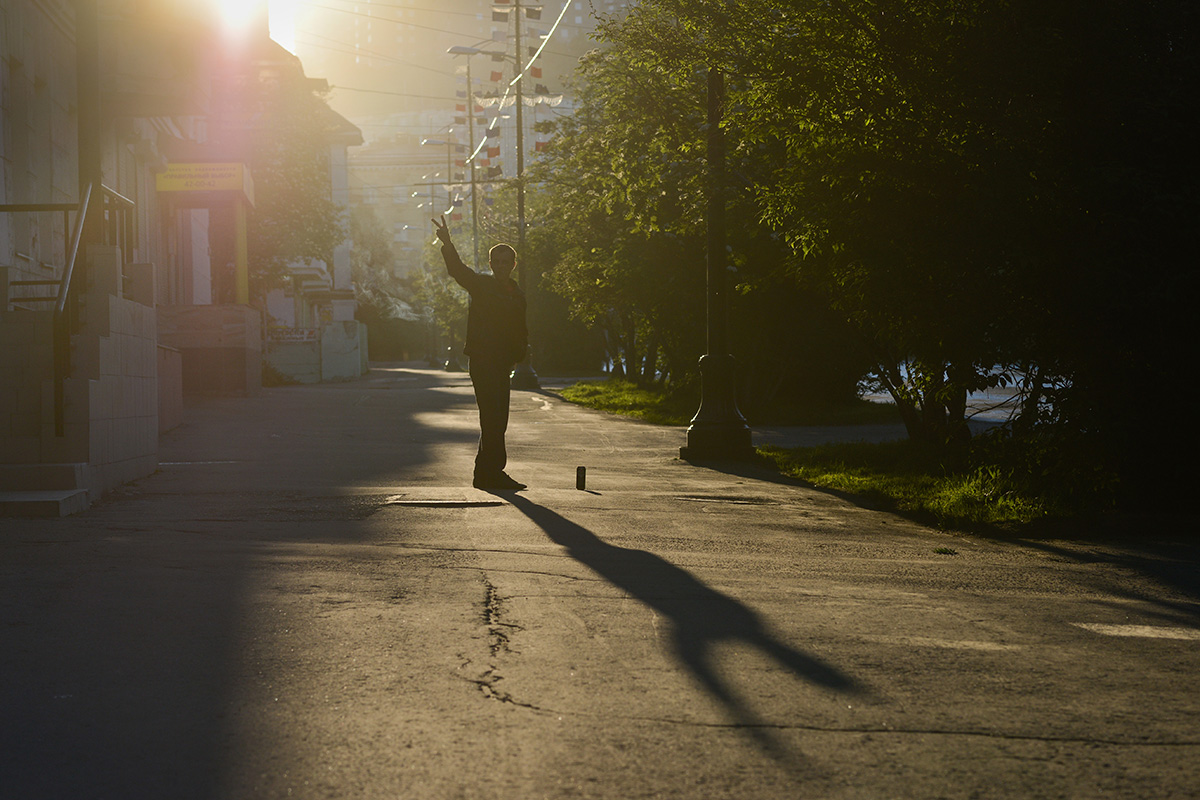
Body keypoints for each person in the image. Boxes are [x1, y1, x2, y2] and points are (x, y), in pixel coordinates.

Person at [432, 215, 528, 491]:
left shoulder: (517, 294)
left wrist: (520, 352)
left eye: (504, 262)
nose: (500, 267)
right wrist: (448, 244)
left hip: (502, 363)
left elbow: (521, 329)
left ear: (512, 265)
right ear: (490, 265)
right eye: (495, 262)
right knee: (492, 417)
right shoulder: (482, 286)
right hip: (484, 362)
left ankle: (484, 473)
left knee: (498, 419)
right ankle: (493, 473)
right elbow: (458, 271)